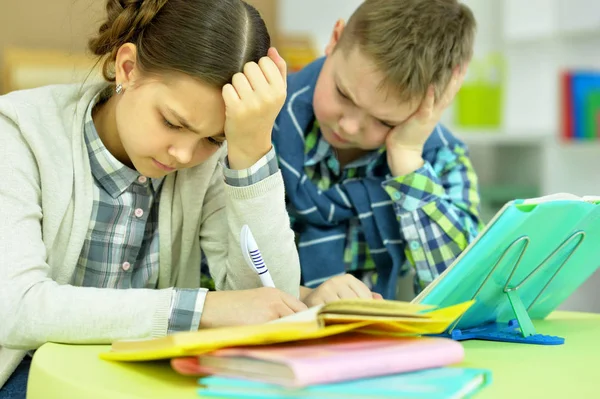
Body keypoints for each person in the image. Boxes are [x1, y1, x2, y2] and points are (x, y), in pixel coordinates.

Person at [0, 0, 307, 395]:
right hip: (27, 377)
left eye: (213, 139)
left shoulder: (208, 163)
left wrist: (250, 152)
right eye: (172, 122)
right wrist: (202, 310)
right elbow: (17, 307)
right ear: (127, 69)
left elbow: (272, 301)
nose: (183, 155)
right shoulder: (17, 132)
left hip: (148, 380)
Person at [273, 0, 483, 306]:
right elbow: (206, 270)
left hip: (376, 347)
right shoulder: (261, 118)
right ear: (335, 39)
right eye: (343, 93)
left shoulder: (441, 158)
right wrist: (304, 297)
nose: (349, 125)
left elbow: (463, 296)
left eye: (385, 121)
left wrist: (408, 158)